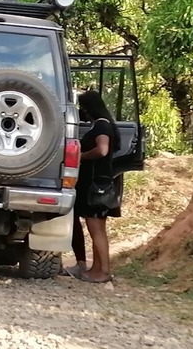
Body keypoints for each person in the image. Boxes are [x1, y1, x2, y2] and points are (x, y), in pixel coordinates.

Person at [65, 90, 121, 283]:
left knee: (96, 229)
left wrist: (81, 156)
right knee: (97, 229)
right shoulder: (104, 125)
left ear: (89, 109)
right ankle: (97, 268)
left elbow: (102, 150)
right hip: (101, 183)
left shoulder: (101, 127)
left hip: (96, 185)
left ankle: (103, 271)